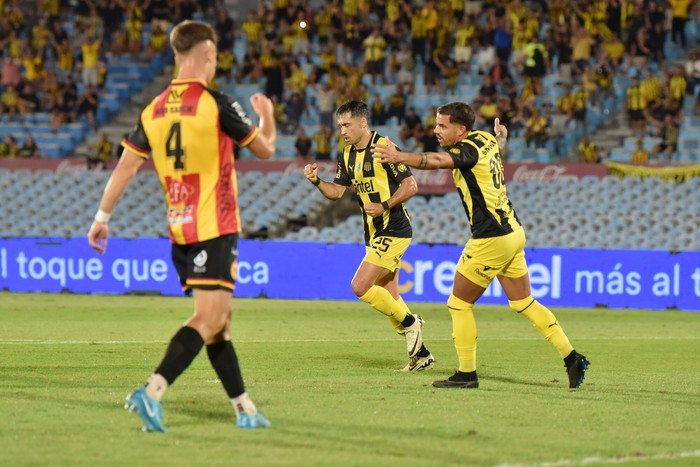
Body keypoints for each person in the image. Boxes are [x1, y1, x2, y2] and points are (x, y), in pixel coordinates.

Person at [87, 20, 277, 432]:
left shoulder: (152, 108)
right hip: (215, 225)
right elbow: (265, 150)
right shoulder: (216, 103)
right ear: (208, 55)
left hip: (179, 228)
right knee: (209, 320)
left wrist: (102, 218)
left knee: (219, 323)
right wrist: (267, 116)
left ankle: (244, 408)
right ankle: (151, 391)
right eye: (215, 56)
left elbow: (124, 169)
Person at [372, 102, 589, 390]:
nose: (436, 130)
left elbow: (438, 163)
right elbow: (497, 152)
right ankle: (572, 358)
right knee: (523, 302)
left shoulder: (467, 149)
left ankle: (466, 374)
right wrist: (502, 138)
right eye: (436, 124)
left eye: (442, 126)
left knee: (458, 304)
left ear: (461, 130)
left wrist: (399, 156)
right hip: (513, 231)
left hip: (491, 238)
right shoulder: (486, 139)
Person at [303, 100, 434, 372]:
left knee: (360, 286)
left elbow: (411, 185)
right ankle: (422, 355)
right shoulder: (347, 154)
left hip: (394, 227)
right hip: (373, 233)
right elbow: (337, 192)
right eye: (340, 125)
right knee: (389, 294)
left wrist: (385, 205)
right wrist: (316, 181)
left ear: (363, 123)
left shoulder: (384, 148)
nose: (342, 130)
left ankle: (411, 323)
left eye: (347, 124)